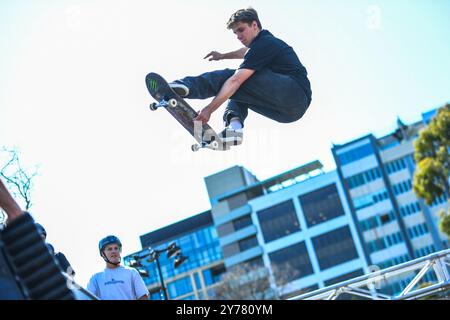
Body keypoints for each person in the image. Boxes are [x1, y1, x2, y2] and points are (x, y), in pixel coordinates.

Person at [169, 7, 312, 145]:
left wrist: (209, 109)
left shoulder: (264, 43)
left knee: (231, 78)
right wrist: (222, 56)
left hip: (294, 92)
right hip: (290, 113)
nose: (238, 36)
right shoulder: (262, 47)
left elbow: (235, 80)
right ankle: (234, 130)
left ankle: (186, 86)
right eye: (235, 33)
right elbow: (243, 52)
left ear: (254, 25)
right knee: (240, 92)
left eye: (241, 30)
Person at [87, 235, 149, 300]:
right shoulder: (95, 278)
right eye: (109, 249)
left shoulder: (132, 272)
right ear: (103, 254)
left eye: (116, 248)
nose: (114, 251)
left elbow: (143, 296)